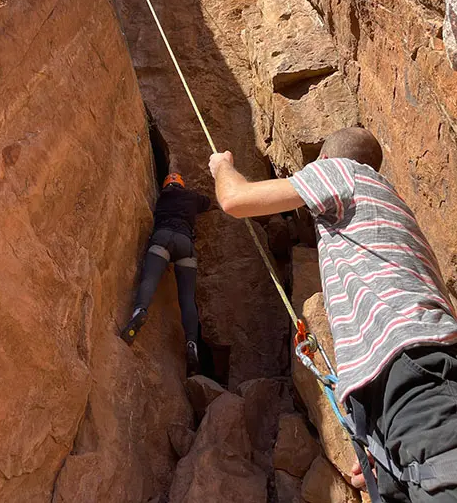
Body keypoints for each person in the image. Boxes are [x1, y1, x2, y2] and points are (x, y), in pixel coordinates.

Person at [208, 127, 457, 503]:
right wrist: (383, 443)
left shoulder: (343, 172)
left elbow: (235, 200)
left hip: (415, 383)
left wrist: (222, 166)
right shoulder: (392, 216)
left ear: (323, 162)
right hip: (408, 394)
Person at [121, 172, 210, 377]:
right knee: (187, 298)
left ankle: (140, 312)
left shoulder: (161, 198)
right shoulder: (191, 197)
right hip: (185, 244)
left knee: (150, 279)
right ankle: (191, 342)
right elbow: (208, 203)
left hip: (162, 238)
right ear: (181, 184)